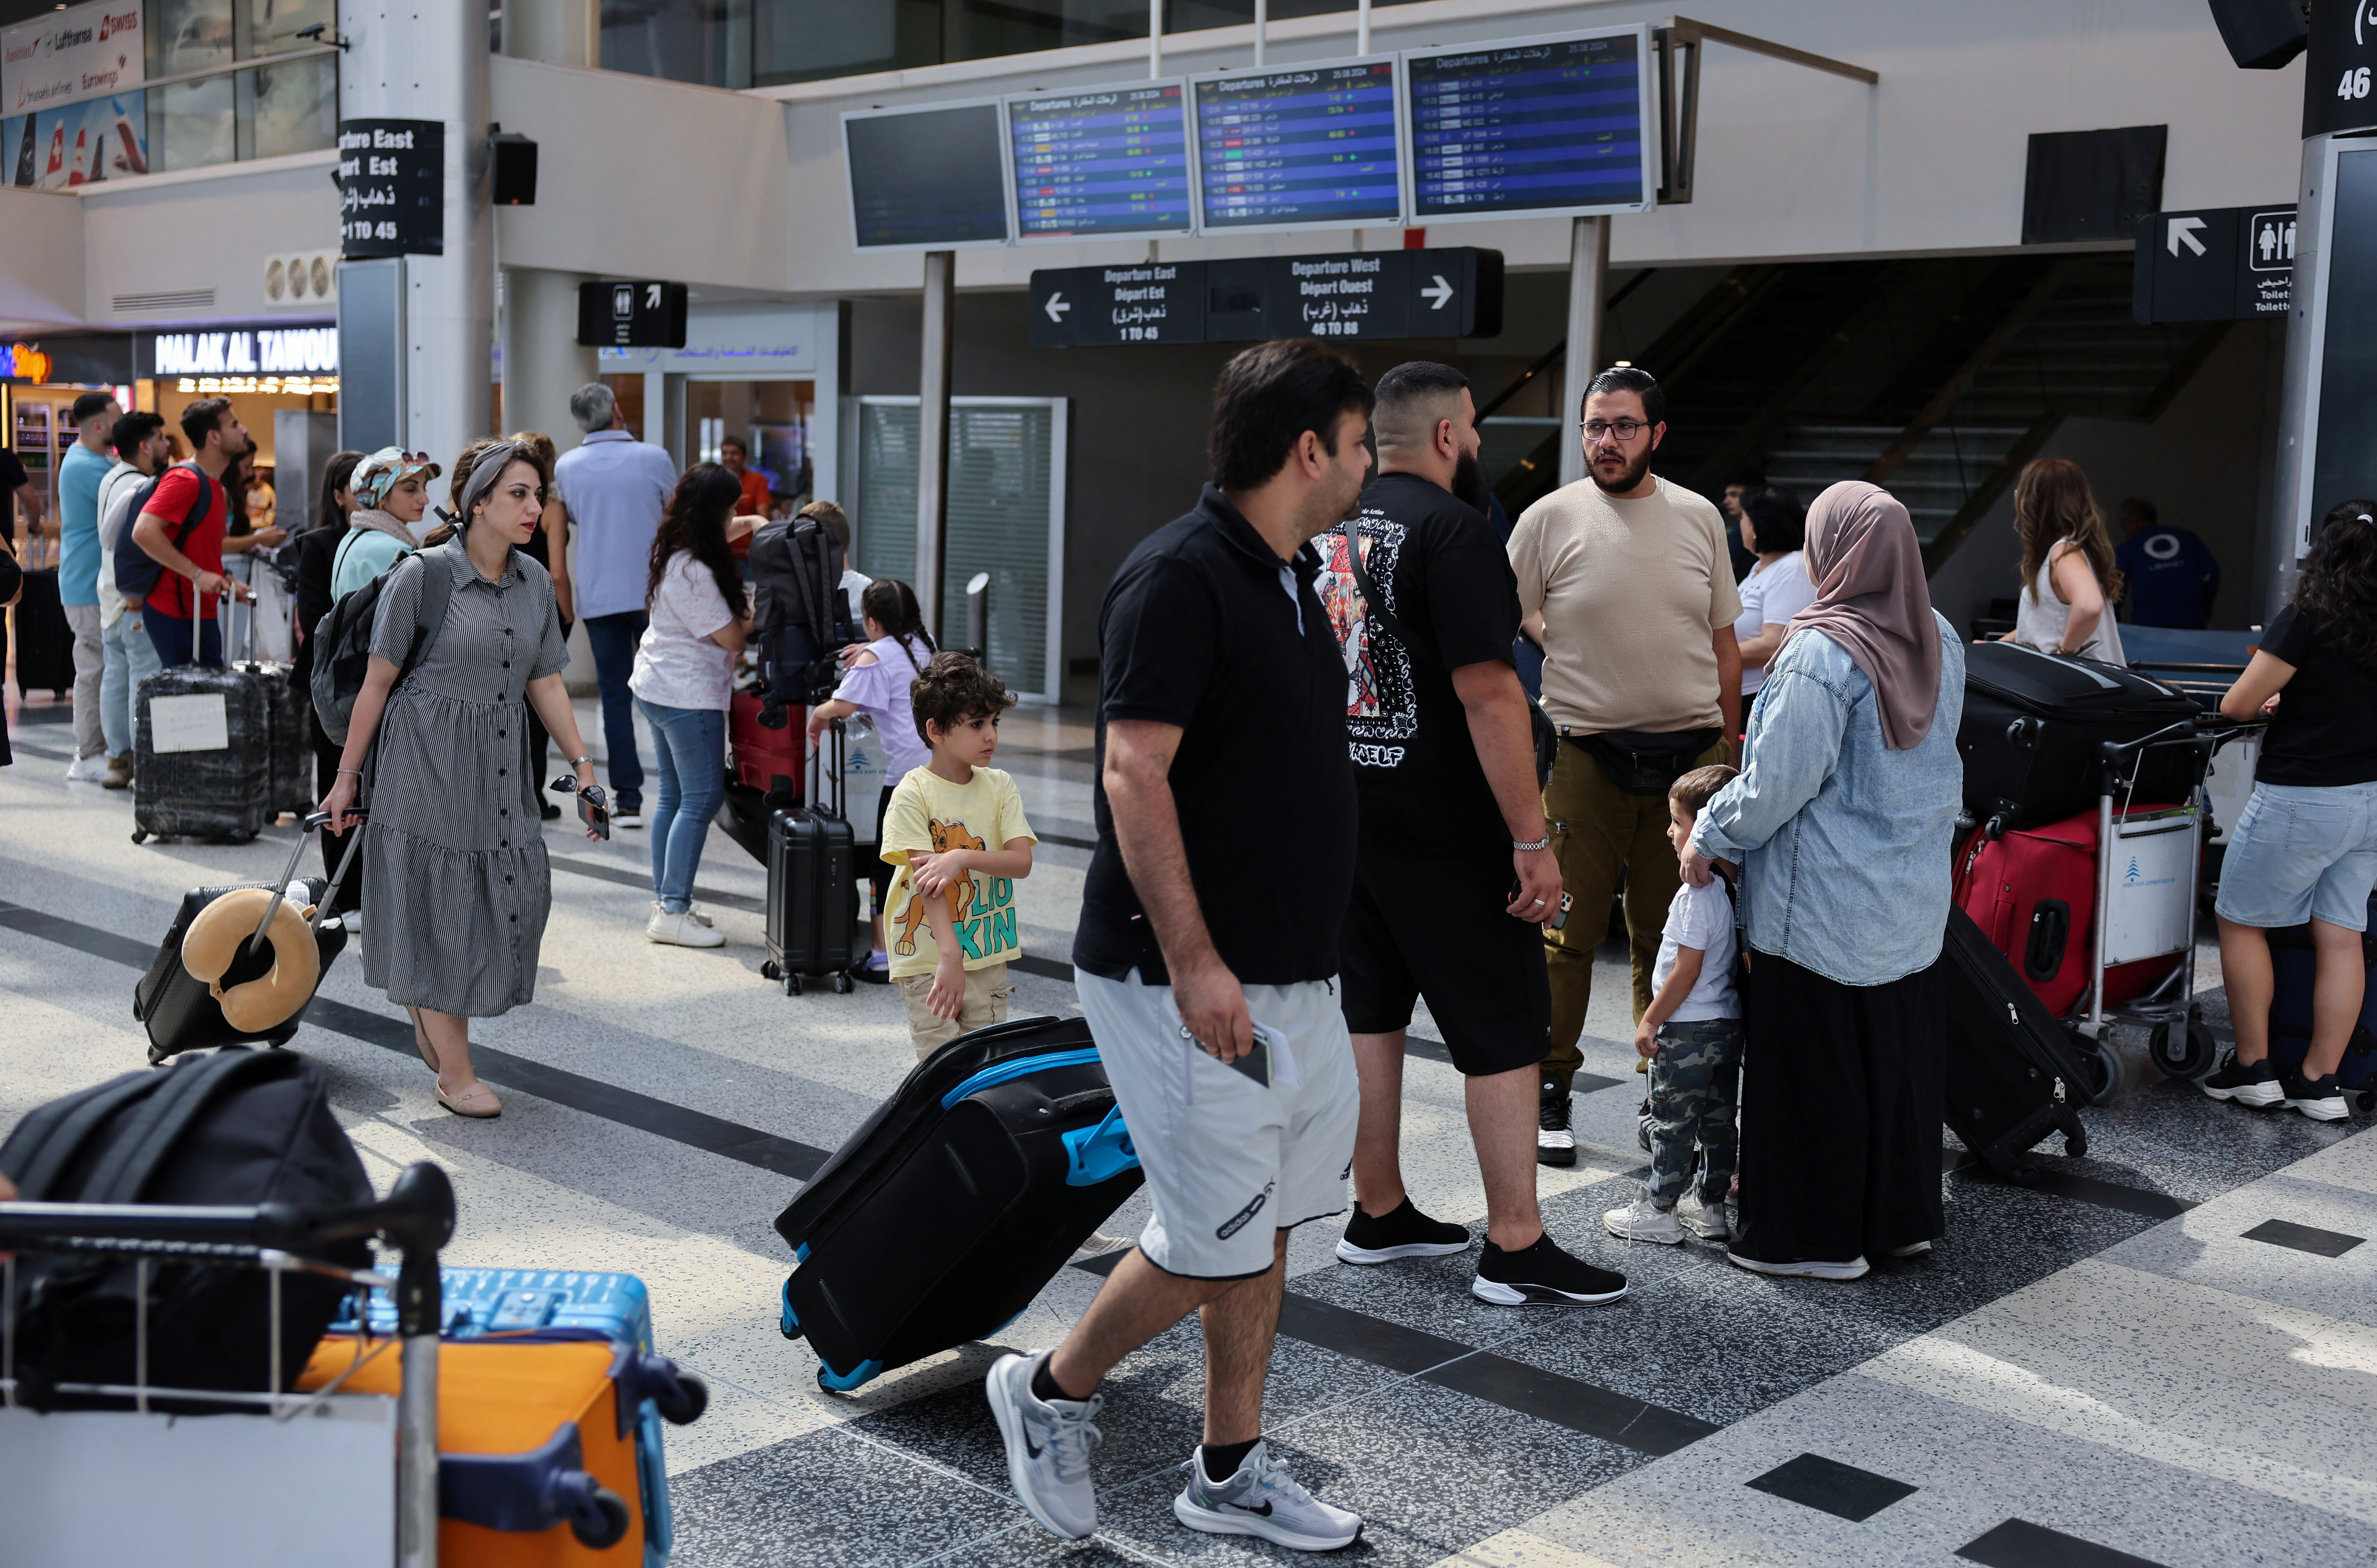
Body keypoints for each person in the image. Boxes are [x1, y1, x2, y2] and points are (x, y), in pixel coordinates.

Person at [986, 340, 1370, 1554]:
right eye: (1359, 445)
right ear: (1308, 449)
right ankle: (1050, 1388)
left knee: (1257, 1222)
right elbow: (1129, 770)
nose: (1368, 467)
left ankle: (1229, 1467)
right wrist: (1198, 959)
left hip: (1285, 976)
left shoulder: (1291, 577)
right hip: (1181, 981)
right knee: (1215, 1227)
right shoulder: (1180, 575)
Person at [1315, 360, 1623, 1307]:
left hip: (1355, 819)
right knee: (1500, 1025)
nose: (1480, 450)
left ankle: (1377, 1211)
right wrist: (1530, 838)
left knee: (1371, 1016)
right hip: (1449, 832)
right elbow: (1490, 691)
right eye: (1476, 434)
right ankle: (1515, 1242)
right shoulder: (1451, 532)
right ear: (1448, 435)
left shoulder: (1337, 530)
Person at [1683, 480, 1964, 1280]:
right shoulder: (1937, 634)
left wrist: (1707, 832)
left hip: (1820, 904)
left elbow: (1775, 786)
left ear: (1829, 550)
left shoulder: (1818, 652)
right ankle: (1894, 1222)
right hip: (1907, 900)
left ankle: (1813, 1239)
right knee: (1892, 1066)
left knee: (1812, 1071)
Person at [318, 439, 601, 1121]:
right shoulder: (424, 577)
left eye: (540, 494)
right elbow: (377, 684)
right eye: (520, 495)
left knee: (516, 896)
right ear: (478, 503)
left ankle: (429, 1008)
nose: (536, 508)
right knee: (443, 906)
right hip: (426, 761)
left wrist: (583, 765)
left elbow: (546, 678)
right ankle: (456, 1070)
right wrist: (346, 777)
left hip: (501, 766)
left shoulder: (533, 581)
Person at [1508, 365, 1742, 1166]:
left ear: (1656, 435)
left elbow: (1721, 643)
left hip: (1689, 760)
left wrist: (1731, 756)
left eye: (1621, 427)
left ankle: (1660, 1090)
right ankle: (1550, 1091)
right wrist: (1560, 644)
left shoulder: (1697, 518)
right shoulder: (1547, 518)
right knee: (1563, 936)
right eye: (1593, 427)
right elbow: (1506, 608)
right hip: (1585, 756)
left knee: (1667, 935)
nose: (1604, 442)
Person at [2199, 501, 2377, 1122]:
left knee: (2239, 918)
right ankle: (2319, 1080)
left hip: (2304, 796)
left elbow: (2235, 703)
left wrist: (2276, 698)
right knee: (2339, 933)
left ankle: (2253, 1068)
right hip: (2370, 800)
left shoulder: (2308, 616)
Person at [1605, 763, 1742, 1245]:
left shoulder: (1694, 895)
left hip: (1686, 1030)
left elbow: (1684, 972)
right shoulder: (1733, 889)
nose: (1669, 830)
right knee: (1720, 1121)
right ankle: (1711, 1209)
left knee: (1672, 1122)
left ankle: (1660, 1210)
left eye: (1677, 821)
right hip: (1727, 1026)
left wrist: (1649, 1019)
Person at [877, 652, 1034, 1054]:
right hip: (933, 960)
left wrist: (961, 857)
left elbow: (1021, 861)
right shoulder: (912, 793)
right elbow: (927, 885)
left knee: (987, 1072)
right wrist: (950, 958)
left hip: (988, 953)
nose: (991, 736)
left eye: (994, 722)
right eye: (977, 724)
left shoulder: (1000, 786)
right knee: (940, 1074)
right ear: (936, 730)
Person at [627, 463, 753, 949]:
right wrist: (751, 610)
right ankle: (673, 910)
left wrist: (757, 525)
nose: (737, 515)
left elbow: (733, 529)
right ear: (713, 512)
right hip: (687, 696)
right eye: (733, 507)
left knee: (676, 799)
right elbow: (732, 639)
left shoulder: (676, 547)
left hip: (659, 686)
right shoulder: (696, 570)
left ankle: (667, 899)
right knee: (701, 799)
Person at [553, 381, 677, 830]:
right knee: (666, 689)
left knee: (614, 697)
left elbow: (569, 520)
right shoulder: (653, 458)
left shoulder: (568, 466)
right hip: (653, 592)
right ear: (618, 412)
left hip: (599, 593)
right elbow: (673, 510)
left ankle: (628, 796)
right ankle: (677, 790)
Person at [808, 576, 935, 981]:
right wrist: (872, 648)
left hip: (905, 782)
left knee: (888, 865)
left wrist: (817, 717)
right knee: (933, 861)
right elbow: (893, 657)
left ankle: (882, 955)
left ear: (871, 621)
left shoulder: (874, 656)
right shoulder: (927, 643)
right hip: (943, 772)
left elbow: (841, 707)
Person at [130, 398, 257, 667]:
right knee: (186, 704)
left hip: (200, 609)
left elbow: (202, 548)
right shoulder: (185, 480)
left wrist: (225, 579)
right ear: (213, 437)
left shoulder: (215, 487)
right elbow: (143, 531)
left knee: (209, 698)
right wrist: (198, 575)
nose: (243, 430)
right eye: (234, 425)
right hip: (176, 611)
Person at [295, 450, 365, 908]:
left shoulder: (399, 543)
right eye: (358, 486)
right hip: (332, 683)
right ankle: (341, 894)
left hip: (371, 681)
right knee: (336, 781)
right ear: (339, 494)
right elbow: (313, 615)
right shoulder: (319, 544)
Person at [94, 411, 174, 789]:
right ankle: (143, 762)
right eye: (160, 437)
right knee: (141, 679)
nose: (166, 444)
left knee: (116, 677)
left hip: (109, 593)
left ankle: (117, 759)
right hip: (134, 600)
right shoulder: (143, 487)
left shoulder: (110, 477)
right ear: (144, 446)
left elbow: (107, 540)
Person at [509, 431, 577, 817]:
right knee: (539, 707)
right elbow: (557, 574)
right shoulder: (551, 507)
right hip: (541, 610)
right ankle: (533, 795)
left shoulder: (494, 504)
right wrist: (566, 613)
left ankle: (509, 795)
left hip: (502, 607)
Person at [2000, 456, 2125, 664]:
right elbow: (2044, 624)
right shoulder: (2070, 550)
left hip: (2076, 687)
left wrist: (2065, 652)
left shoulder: (2064, 553)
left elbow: (2089, 607)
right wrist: (1998, 647)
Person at [56, 391, 121, 781]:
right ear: (98, 426)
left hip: (92, 585)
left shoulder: (94, 460)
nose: (123, 423)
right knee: (93, 670)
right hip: (85, 586)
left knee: (99, 667)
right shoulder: (85, 466)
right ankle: (89, 753)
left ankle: (98, 748)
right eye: (117, 417)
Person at [1732, 485, 1818, 708]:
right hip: (1739, 692)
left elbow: (1774, 645)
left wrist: (1707, 659)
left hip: (1762, 698)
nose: (1740, 524)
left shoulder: (1792, 568)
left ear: (1757, 525)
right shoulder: (1760, 567)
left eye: (1744, 517)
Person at [331, 449, 437, 600]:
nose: (424, 500)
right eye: (411, 490)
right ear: (380, 496)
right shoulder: (390, 550)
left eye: (424, 487)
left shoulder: (353, 538)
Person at [2113, 496, 2221, 629]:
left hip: (2149, 625)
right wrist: (2206, 607)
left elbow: (2115, 588)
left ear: (2132, 520)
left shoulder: (2128, 547)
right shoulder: (2188, 538)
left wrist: (2115, 622)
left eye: (2123, 527)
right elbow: (2212, 573)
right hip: (2192, 620)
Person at [1719, 465, 1765, 580]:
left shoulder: (1745, 527)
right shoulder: (1740, 525)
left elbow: (1725, 568)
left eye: (1734, 495)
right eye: (1727, 495)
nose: (1726, 501)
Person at [719, 436, 772, 520]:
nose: (729, 457)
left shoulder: (757, 480)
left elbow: (764, 517)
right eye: (725, 453)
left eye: (734, 453)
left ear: (745, 458)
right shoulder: (714, 480)